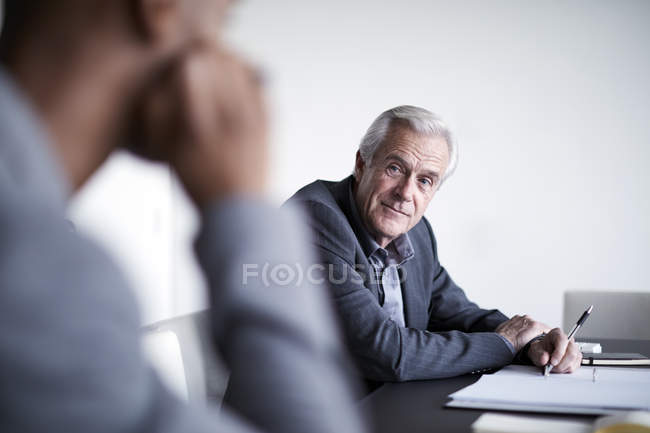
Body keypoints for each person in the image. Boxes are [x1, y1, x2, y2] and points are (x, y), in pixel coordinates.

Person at [0, 1, 367, 433]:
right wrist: (243, 201)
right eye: (222, 20)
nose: (230, 56)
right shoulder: (35, 269)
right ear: (160, 9)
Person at [286, 105, 582, 384]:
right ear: (362, 164)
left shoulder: (416, 232)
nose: (405, 193)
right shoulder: (315, 219)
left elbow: (457, 314)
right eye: (395, 168)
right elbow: (386, 352)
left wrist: (531, 341)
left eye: (425, 181)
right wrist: (505, 343)